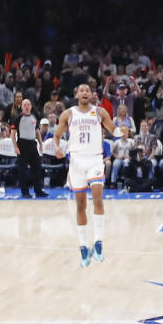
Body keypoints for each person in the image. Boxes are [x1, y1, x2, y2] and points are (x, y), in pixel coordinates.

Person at [53, 84, 115, 267]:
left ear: (92, 94)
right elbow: (57, 136)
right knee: (80, 205)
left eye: (88, 90)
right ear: (76, 94)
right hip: (76, 162)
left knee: (98, 199)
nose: (85, 93)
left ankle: (98, 242)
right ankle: (83, 246)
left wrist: (122, 131)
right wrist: (57, 148)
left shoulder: (100, 112)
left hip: (95, 160)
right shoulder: (68, 114)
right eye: (81, 90)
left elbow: (113, 129)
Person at [11, 98, 49, 198]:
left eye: (28, 104)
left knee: (37, 168)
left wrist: (41, 144)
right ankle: (25, 192)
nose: (27, 106)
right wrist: (15, 147)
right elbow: (13, 133)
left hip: (33, 144)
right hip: (22, 145)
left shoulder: (34, 117)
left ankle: (38, 191)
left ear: (31, 106)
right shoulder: (18, 118)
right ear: (22, 106)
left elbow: (37, 131)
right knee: (23, 170)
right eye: (25, 105)